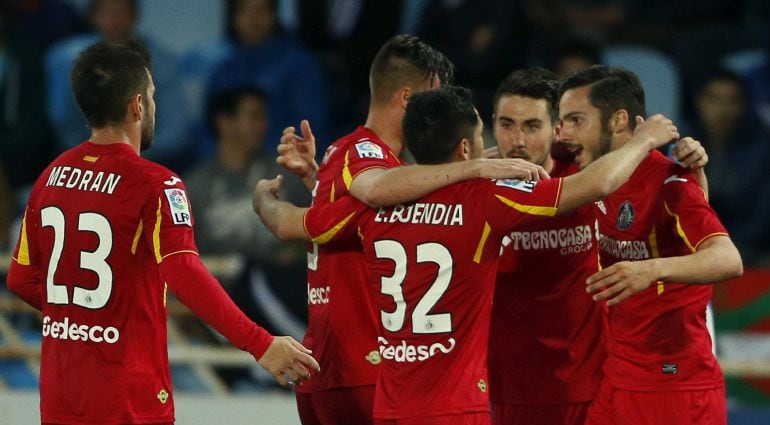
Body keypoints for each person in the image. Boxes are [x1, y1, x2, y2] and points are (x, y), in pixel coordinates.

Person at [253, 84, 681, 424]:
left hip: (392, 406)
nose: (501, 146)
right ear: (465, 149)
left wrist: (273, 195)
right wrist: (644, 140)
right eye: (488, 134)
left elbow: (289, 223)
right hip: (459, 405)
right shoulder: (485, 201)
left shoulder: (373, 205)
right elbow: (596, 185)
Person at [5, 41, 318, 425]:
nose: (154, 106)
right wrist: (261, 344)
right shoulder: (157, 185)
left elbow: (21, 278)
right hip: (128, 396)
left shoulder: (51, 177)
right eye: (152, 96)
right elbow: (184, 272)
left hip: (60, 393)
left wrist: (83, 318)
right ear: (137, 105)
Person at [271, 34, 548, 425]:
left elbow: (350, 213)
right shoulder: (370, 159)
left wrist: (312, 180)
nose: (439, 110)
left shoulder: (349, 154)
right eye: (432, 98)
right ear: (406, 99)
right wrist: (478, 167)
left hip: (330, 373)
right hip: (363, 371)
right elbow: (374, 189)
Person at [487, 68, 707, 425]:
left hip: (592, 381)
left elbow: (675, 208)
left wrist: (692, 165)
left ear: (555, 128)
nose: (518, 140)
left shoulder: (588, 168)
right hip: (509, 384)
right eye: (506, 124)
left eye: (532, 126)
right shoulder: (485, 188)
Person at [556, 65, 743, 425]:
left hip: (675, 385)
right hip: (618, 377)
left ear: (618, 120)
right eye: (562, 121)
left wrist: (651, 270)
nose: (565, 133)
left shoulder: (671, 182)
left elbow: (728, 259)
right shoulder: (590, 175)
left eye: (577, 120)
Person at [45, 0, 187, 170]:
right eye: (107, 12)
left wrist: (128, 157)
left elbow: (176, 130)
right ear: (94, 18)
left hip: (148, 164)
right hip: (90, 165)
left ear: (135, 16)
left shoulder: (162, 64)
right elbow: (68, 124)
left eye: (120, 12)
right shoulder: (80, 63)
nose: (114, 20)